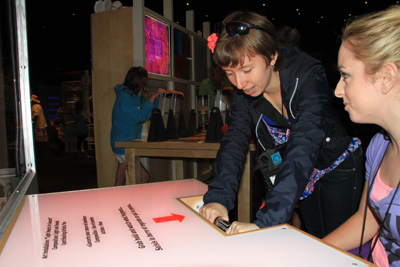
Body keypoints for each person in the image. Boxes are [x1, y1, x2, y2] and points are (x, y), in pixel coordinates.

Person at [199, 11, 364, 238]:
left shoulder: (307, 73)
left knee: (338, 241)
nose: (239, 83)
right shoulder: (244, 90)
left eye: (247, 70)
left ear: (273, 57)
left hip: (335, 161)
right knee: (315, 237)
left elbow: (305, 141)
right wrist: (218, 197)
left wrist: (266, 222)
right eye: (229, 73)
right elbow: (235, 140)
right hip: (296, 171)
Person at [322, 6, 400, 266]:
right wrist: (312, 251)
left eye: (346, 76)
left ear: (386, 77)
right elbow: (367, 219)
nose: (337, 90)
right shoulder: (379, 145)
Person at [110, 66, 183, 186]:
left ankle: (119, 202)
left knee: (122, 176)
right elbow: (140, 115)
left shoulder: (132, 95)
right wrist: (154, 96)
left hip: (124, 141)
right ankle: (130, 201)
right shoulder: (124, 97)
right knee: (144, 176)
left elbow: (149, 107)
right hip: (123, 143)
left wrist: (167, 94)